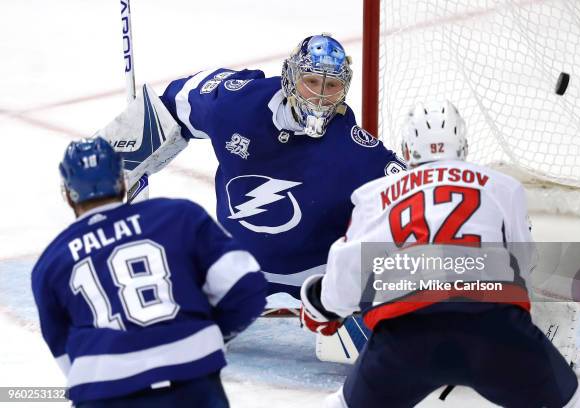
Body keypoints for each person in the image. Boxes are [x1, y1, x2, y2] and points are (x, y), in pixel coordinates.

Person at [300, 101, 580, 407]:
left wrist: (322, 307)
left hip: (405, 336)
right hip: (495, 330)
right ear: (463, 146)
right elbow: (524, 261)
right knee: (578, 403)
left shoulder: (374, 194)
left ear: (406, 147)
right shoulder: (504, 187)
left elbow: (346, 273)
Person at [155, 34, 405, 298]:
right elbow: (173, 104)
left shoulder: (357, 152)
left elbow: (417, 197)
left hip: (321, 285)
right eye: (311, 81)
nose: (319, 97)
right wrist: (127, 148)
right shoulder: (235, 106)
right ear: (289, 77)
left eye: (331, 85)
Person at [31, 137, 267, 407]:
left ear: (68, 194)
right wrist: (209, 330)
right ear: (121, 181)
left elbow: (64, 352)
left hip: (104, 392)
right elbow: (245, 285)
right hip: (190, 378)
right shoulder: (178, 215)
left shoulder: (51, 262)